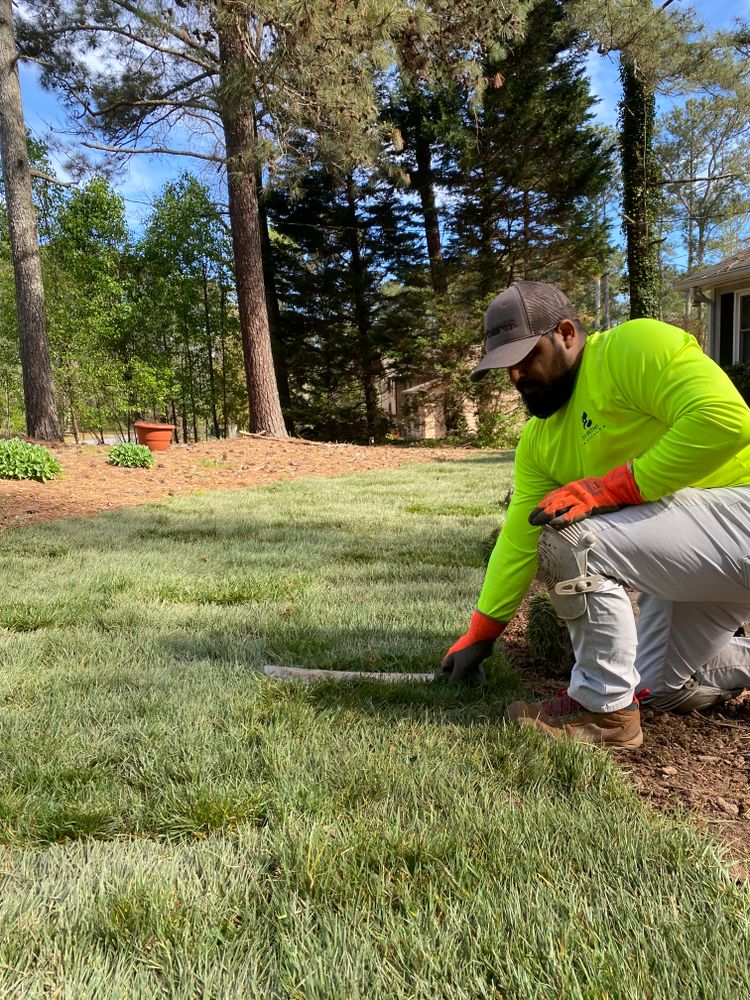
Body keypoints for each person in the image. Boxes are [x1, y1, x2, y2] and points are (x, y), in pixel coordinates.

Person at [440, 280, 750, 749]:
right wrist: (482, 632)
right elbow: (519, 540)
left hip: (740, 516)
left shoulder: (632, 347)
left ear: (565, 333)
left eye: (527, 358)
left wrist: (611, 487)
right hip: (709, 556)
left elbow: (725, 419)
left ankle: (602, 711)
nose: (517, 377)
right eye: (506, 366)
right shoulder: (539, 442)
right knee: (656, 686)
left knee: (570, 536)